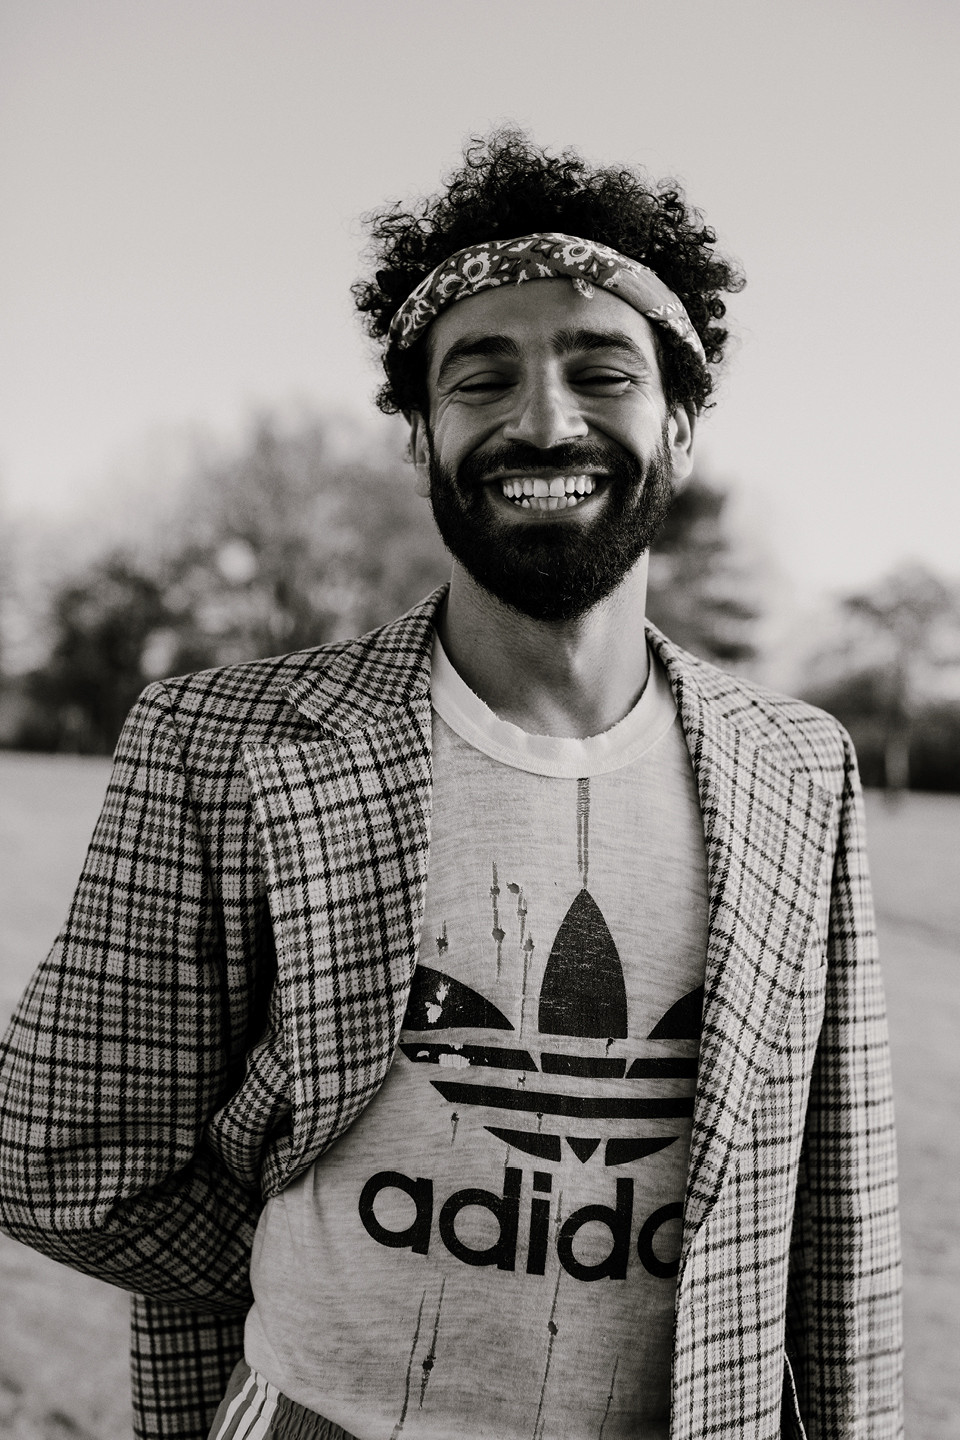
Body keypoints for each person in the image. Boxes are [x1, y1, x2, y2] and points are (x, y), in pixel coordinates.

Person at [0, 131, 902, 1440]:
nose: (544, 420)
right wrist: (306, 1272)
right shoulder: (222, 741)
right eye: (482, 378)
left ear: (681, 424)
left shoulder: (800, 764)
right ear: (420, 437)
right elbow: (61, 1156)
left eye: (601, 370)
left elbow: (839, 1224)